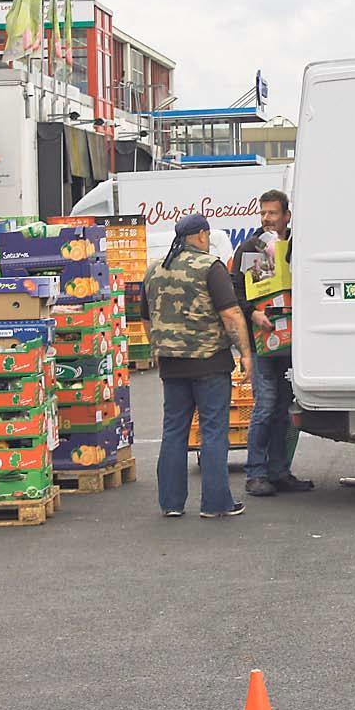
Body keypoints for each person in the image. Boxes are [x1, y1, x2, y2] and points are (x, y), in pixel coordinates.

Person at [142, 213, 254, 519]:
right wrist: (245, 352)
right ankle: (216, 503)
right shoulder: (210, 267)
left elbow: (145, 319)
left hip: (171, 365)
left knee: (174, 431)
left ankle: (171, 503)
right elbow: (231, 314)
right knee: (214, 430)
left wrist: (158, 348)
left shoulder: (154, 270)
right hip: (209, 363)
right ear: (203, 235)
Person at [231, 190, 314, 497]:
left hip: (293, 342)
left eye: (273, 213)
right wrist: (253, 314)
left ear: (287, 216)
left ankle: (279, 472)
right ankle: (255, 473)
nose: (267, 218)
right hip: (264, 342)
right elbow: (237, 293)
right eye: (263, 213)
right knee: (265, 406)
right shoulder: (253, 248)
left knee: (284, 408)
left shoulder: (297, 246)